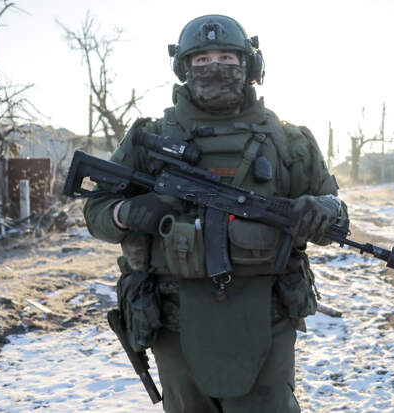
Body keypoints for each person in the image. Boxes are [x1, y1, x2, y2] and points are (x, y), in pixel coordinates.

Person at [83, 14, 348, 413]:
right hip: (173, 321)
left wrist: (323, 210)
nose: (214, 67)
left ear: (250, 65)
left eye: (227, 57)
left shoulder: (289, 140)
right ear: (184, 68)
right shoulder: (150, 138)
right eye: (202, 60)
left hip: (266, 316)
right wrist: (128, 212)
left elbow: (338, 218)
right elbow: (96, 210)